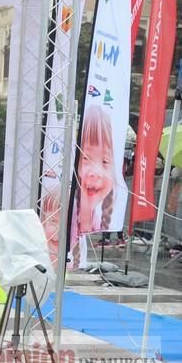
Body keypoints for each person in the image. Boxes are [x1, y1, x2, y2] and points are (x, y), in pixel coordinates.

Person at [70, 104, 118, 267]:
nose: (95, 172)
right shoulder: (67, 219)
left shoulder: (96, 219)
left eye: (104, 161)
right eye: (86, 158)